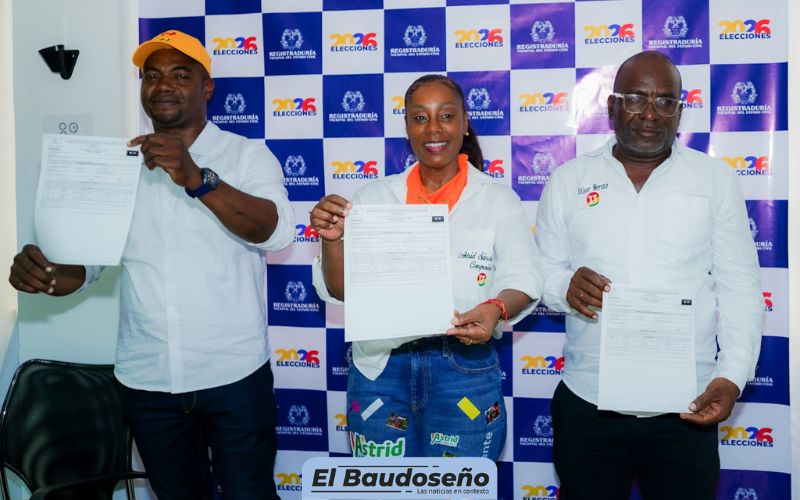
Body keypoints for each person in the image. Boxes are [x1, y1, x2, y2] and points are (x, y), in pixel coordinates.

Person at [8, 30, 294, 500]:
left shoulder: (246, 155)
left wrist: (197, 178)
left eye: (181, 75)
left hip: (233, 374)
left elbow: (276, 231)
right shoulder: (118, 164)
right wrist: (49, 276)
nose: (163, 85)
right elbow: (89, 265)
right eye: (152, 75)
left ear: (207, 87)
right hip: (148, 379)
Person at [535, 51, 763, 499]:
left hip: (687, 405)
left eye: (665, 102)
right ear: (612, 106)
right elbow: (541, 271)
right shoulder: (567, 180)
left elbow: (740, 286)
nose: (650, 114)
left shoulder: (715, 180)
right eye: (636, 98)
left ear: (679, 110)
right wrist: (564, 285)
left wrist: (732, 375)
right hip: (589, 401)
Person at [310, 74, 542, 458]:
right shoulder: (372, 198)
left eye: (446, 116)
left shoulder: (498, 199)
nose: (433, 128)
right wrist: (332, 241)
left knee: (460, 486)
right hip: (380, 370)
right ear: (407, 127)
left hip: (464, 369)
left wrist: (495, 308)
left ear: (465, 123)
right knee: (384, 485)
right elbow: (340, 290)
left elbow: (523, 277)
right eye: (420, 118)